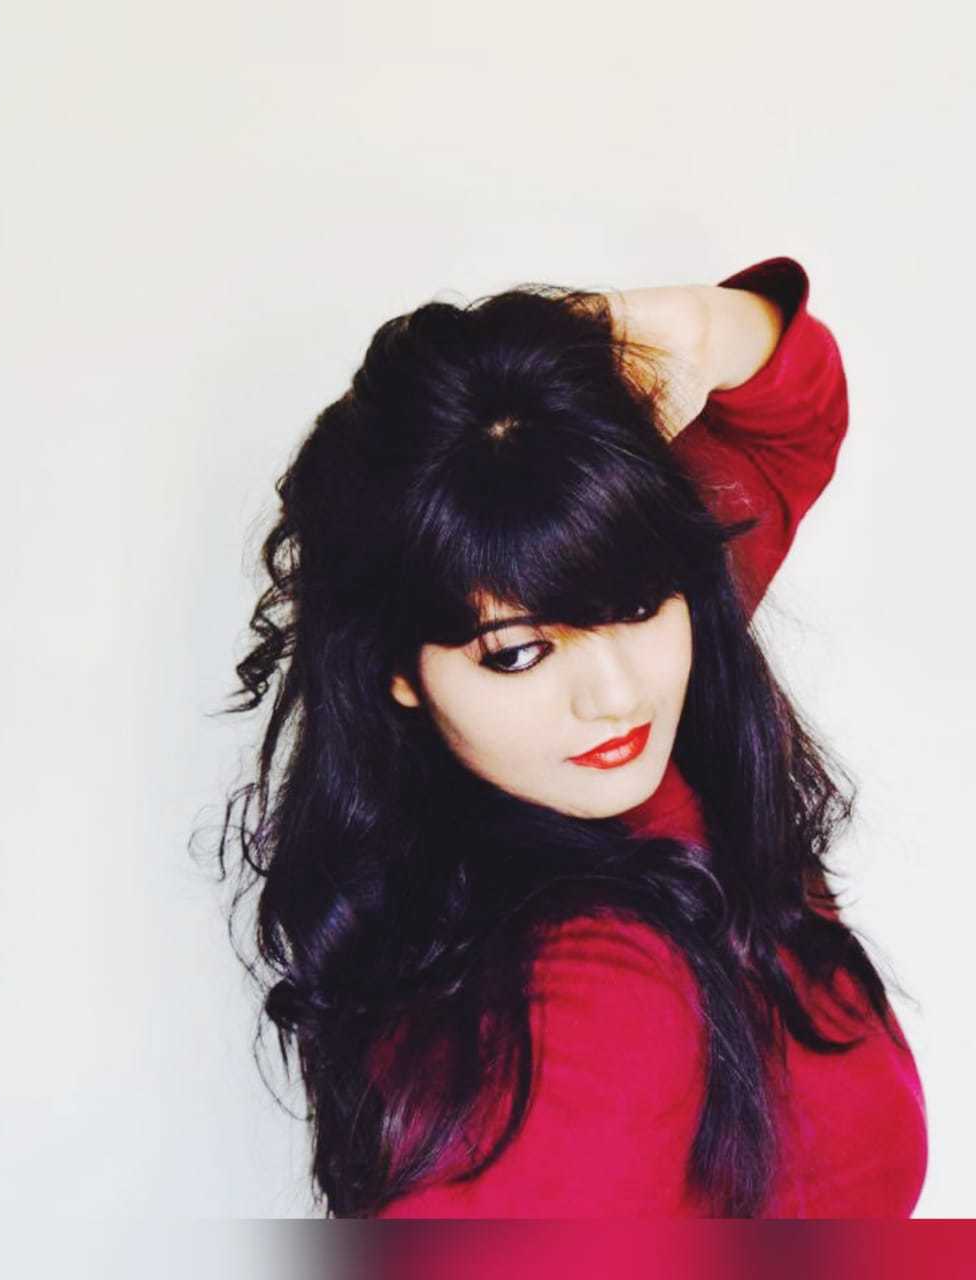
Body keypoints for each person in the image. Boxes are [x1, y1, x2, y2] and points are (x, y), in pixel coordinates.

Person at [209, 256, 927, 1218]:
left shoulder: (650, 683)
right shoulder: (587, 995)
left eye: (635, 603)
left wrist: (653, 336)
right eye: (517, 654)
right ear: (395, 668)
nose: (616, 698)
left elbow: (794, 408)